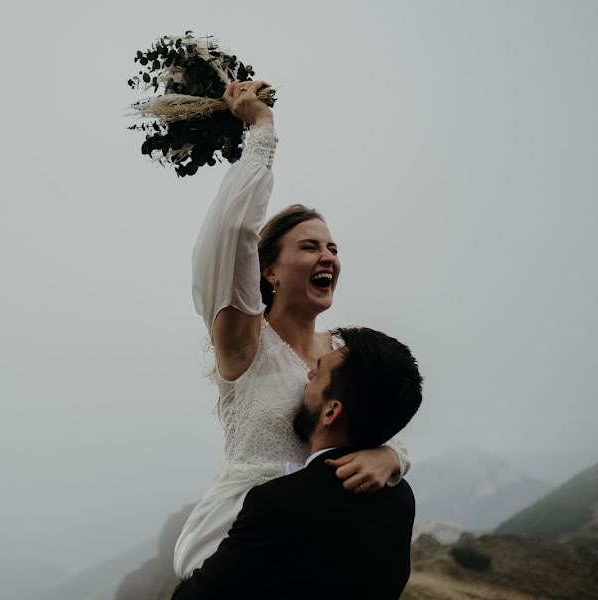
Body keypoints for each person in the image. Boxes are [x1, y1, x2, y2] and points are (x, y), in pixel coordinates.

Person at [173, 80, 412, 579]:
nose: (327, 257)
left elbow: (382, 412)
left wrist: (392, 456)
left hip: (318, 545)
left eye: (333, 249)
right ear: (269, 271)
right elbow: (234, 231)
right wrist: (261, 130)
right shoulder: (245, 342)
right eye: (309, 247)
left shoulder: (344, 352)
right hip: (239, 545)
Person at [171, 327, 423, 600]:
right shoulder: (401, 500)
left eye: (318, 371)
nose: (308, 375)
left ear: (331, 411)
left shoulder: (278, 505)